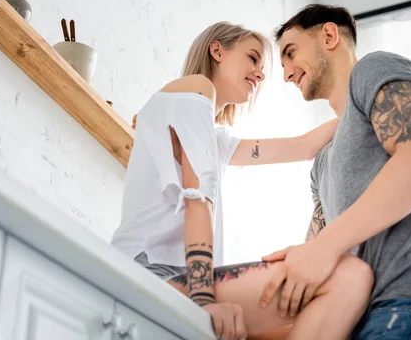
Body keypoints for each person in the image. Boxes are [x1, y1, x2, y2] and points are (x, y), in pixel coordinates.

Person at [111, 22, 376, 340]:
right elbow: (198, 201)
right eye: (252, 59)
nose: (261, 74)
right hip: (147, 272)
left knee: (318, 322)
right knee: (347, 276)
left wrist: (386, 98)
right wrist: (204, 301)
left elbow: (303, 146)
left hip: (176, 278)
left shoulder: (213, 137)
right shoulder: (194, 89)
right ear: (217, 50)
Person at [261, 4, 411, 339]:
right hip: (364, 320)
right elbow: (317, 256)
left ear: (329, 35)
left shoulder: (373, 68)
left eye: (291, 54)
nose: (287, 74)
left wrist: (322, 250)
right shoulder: (321, 163)